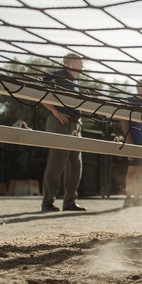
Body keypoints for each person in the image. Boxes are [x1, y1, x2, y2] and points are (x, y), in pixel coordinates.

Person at [40, 53, 87, 213]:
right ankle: (47, 202)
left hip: (75, 125)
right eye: (80, 62)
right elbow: (39, 92)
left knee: (75, 165)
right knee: (56, 162)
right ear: (71, 63)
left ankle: (70, 201)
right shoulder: (57, 76)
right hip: (61, 123)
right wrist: (55, 111)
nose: (83, 66)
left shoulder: (74, 82)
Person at [120, 79, 142, 207]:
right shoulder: (129, 101)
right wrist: (128, 139)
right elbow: (123, 120)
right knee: (133, 170)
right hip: (135, 141)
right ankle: (128, 198)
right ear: (139, 88)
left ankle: (138, 199)